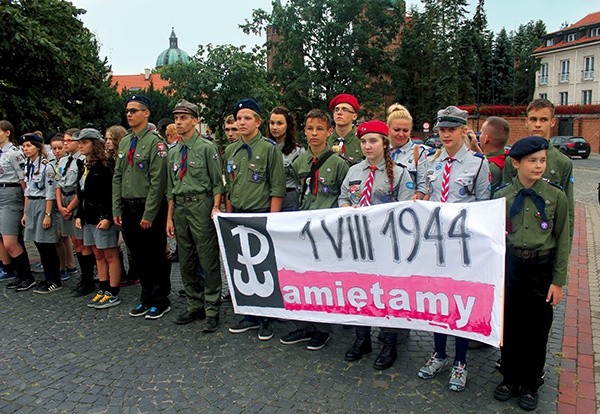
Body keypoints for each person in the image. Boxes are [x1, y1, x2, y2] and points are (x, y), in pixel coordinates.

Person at [492, 136, 569, 411]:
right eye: (532, 161)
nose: (539, 166)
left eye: (542, 160)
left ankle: (531, 381)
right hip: (510, 267)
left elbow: (563, 240)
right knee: (509, 325)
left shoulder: (555, 196)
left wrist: (558, 281)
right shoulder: (501, 196)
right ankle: (509, 377)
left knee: (536, 329)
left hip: (540, 267)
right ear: (516, 164)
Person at [417, 106, 490, 392]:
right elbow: (426, 195)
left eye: (451, 129)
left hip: (462, 247)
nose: (446, 134)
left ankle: (460, 361)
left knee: (460, 303)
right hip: (436, 245)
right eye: (442, 129)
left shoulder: (478, 164)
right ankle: (439, 354)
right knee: (438, 301)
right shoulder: (432, 163)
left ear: (463, 130)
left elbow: (484, 206)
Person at [338, 120, 413, 370]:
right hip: (358, 243)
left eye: (373, 141)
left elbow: (406, 210)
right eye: (363, 142)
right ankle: (362, 339)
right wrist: (348, 209)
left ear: (384, 143)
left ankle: (389, 343)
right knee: (359, 290)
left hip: (386, 244)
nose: (367, 146)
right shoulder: (354, 171)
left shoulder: (400, 173)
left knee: (386, 293)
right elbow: (343, 196)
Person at [279, 109, 348, 350]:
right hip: (303, 227)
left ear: (330, 132)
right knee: (302, 277)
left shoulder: (340, 164)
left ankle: (323, 328)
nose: (314, 133)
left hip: (327, 231)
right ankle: (305, 324)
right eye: (310, 129)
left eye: (319, 129)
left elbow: (344, 197)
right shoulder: (299, 162)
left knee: (324, 281)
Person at [225, 98, 286, 341]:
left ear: (258, 122)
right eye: (239, 118)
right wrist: (228, 215)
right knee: (242, 265)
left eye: (247, 118)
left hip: (260, 214)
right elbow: (230, 185)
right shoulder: (230, 150)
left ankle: (267, 317)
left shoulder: (269, 149)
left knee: (264, 266)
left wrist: (272, 220)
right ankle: (249, 313)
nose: (242, 122)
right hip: (237, 215)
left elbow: (277, 187)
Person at [166, 99, 225, 333]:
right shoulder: (173, 152)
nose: (179, 122)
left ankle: (212, 308)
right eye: (176, 118)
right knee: (186, 259)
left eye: (183, 118)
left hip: (201, 205)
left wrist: (216, 206)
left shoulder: (206, 148)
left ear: (195, 120)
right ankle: (194, 304)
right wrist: (169, 218)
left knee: (207, 258)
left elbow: (217, 184)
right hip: (180, 207)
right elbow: (170, 188)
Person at [112, 95, 171, 320]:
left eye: (134, 110)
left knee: (155, 253)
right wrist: (116, 208)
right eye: (127, 110)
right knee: (137, 255)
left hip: (149, 206)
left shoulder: (156, 143)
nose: (129, 114)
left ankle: (160, 299)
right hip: (128, 206)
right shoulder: (126, 142)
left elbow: (158, 181)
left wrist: (149, 213)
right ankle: (145, 296)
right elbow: (118, 176)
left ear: (146, 113)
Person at [502, 98, 574, 243]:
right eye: (533, 119)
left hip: (546, 240)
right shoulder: (513, 159)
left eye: (544, 119)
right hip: (516, 238)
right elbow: (504, 200)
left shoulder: (562, 162)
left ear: (553, 122)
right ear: (526, 121)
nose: (538, 124)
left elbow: (568, 212)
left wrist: (565, 249)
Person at [73, 128, 122, 309]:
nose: (80, 146)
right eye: (80, 142)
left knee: (110, 254)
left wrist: (108, 216)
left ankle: (113, 290)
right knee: (97, 254)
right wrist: (79, 215)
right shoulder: (83, 165)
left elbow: (111, 194)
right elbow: (81, 194)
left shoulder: (104, 166)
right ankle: (102, 287)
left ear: (94, 144)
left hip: (102, 217)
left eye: (84, 142)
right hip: (88, 216)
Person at [56, 128, 97, 297]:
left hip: (76, 203)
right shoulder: (65, 160)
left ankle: (88, 278)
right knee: (75, 242)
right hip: (64, 203)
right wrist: (60, 206)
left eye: (69, 141)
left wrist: (70, 208)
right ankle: (84, 277)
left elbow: (81, 190)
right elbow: (58, 183)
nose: (66, 143)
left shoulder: (82, 160)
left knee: (82, 243)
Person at [20, 133, 62, 293]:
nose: (25, 149)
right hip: (31, 204)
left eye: (29, 146)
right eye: (24, 146)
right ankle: (47, 277)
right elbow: (27, 191)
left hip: (43, 204)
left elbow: (50, 192)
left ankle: (54, 279)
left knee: (47, 245)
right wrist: (25, 212)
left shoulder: (47, 166)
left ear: (38, 147)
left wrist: (48, 214)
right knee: (37, 242)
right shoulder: (27, 165)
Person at [0, 121, 35, 290]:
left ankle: (27, 275)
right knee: (9, 237)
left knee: (10, 242)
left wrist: (25, 205)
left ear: (7, 133)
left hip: (10, 193)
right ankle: (19, 273)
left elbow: (23, 180)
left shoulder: (14, 153)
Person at [50, 133, 77, 282]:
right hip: (60, 201)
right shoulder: (60, 162)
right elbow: (57, 184)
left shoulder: (77, 161)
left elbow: (79, 186)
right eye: (55, 148)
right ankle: (67, 266)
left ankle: (71, 265)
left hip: (72, 199)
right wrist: (60, 205)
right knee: (64, 236)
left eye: (66, 143)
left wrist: (67, 207)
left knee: (71, 238)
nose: (58, 150)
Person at [267, 106, 305, 211]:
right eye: (272, 123)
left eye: (279, 123)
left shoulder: (297, 151)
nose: (274, 127)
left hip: (289, 197)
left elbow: (301, 181)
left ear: (288, 125)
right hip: (266, 197)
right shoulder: (265, 148)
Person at [386, 103, 427, 199]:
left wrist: (415, 199)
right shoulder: (380, 151)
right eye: (396, 130)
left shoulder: (419, 153)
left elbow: (423, 188)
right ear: (387, 128)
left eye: (405, 130)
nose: (401, 134)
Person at [474, 116, 510, 192]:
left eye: (481, 133)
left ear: (486, 139)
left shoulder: (488, 167)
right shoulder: (507, 157)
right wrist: (475, 146)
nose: (479, 136)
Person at [327, 93, 364, 165]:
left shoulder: (362, 141)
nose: (339, 113)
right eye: (336, 110)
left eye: (344, 109)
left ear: (354, 116)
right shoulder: (325, 140)